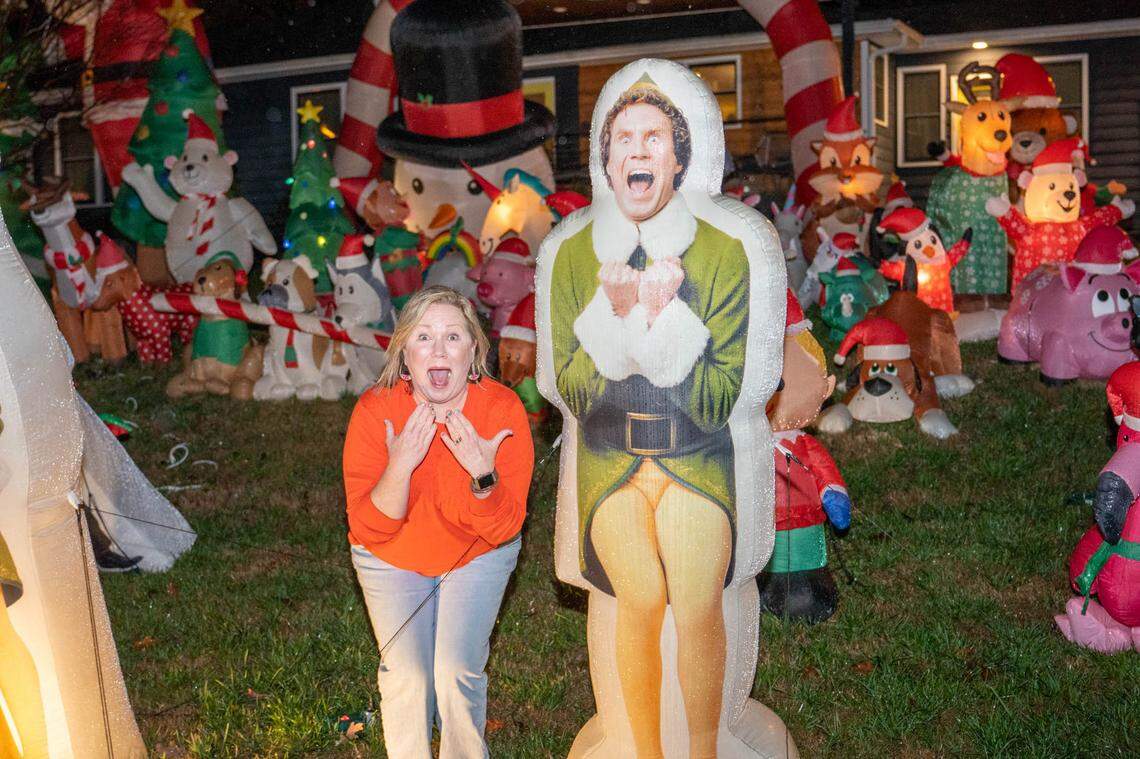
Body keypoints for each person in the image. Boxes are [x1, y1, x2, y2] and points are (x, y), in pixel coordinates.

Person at [548, 77, 750, 758]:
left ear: (677, 158)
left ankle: (702, 752)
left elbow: (722, 396)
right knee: (638, 594)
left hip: (695, 456)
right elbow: (573, 390)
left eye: (653, 138)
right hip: (613, 464)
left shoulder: (723, 252)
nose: (638, 150)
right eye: (624, 139)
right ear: (608, 163)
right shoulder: (574, 255)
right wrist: (608, 318)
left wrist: (668, 321)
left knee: (694, 599)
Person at [342, 286, 533, 758]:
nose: (439, 349)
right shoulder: (376, 410)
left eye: (453, 336)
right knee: (407, 674)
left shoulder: (501, 411)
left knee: (454, 670)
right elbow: (371, 528)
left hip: (477, 553)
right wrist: (400, 463)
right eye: (424, 337)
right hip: (392, 554)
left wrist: (482, 475)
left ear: (473, 353)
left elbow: (504, 526)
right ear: (405, 355)